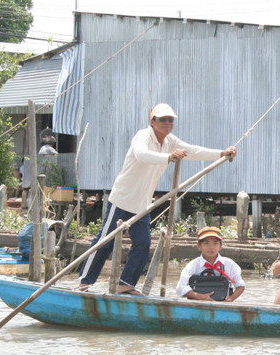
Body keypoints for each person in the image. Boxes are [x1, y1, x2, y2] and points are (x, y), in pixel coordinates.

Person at [76, 103, 237, 294]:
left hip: (143, 203)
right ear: (152, 121)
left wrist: (221, 153)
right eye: (162, 120)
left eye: (170, 120)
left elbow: (192, 150)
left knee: (143, 244)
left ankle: (125, 285)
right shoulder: (143, 136)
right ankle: (84, 283)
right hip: (122, 198)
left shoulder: (170, 141)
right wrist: (168, 157)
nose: (167, 123)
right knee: (105, 241)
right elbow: (142, 155)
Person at [176, 226, 245, 302]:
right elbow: (181, 287)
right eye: (206, 243)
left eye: (215, 243)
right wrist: (200, 297)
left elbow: (240, 286)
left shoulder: (230, 264)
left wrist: (230, 299)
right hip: (198, 305)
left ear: (220, 246)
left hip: (223, 305)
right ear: (199, 246)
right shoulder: (193, 265)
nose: (211, 247)